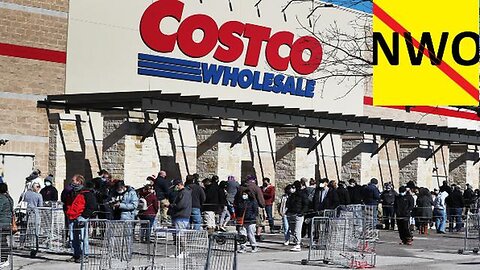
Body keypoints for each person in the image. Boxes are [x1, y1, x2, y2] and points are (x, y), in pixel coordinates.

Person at [66, 176, 97, 263]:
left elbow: (92, 206)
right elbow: (67, 203)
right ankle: (76, 254)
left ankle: (85, 255)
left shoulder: (87, 193)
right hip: (72, 217)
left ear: (79, 182)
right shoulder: (71, 192)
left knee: (83, 238)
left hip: (81, 217)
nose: (71, 182)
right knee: (73, 238)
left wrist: (84, 216)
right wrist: (67, 211)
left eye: (73, 180)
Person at [286, 181, 309, 252]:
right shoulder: (293, 195)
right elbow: (289, 203)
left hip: (298, 214)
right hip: (293, 213)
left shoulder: (301, 194)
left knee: (297, 230)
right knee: (293, 230)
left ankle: (297, 244)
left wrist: (302, 212)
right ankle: (297, 242)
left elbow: (306, 204)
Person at [0, 183, 13, 268]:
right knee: (4, 241)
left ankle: (3, 259)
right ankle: (4, 259)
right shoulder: (9, 198)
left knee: (2, 242)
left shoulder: (1, 198)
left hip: (2, 222)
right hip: (8, 222)